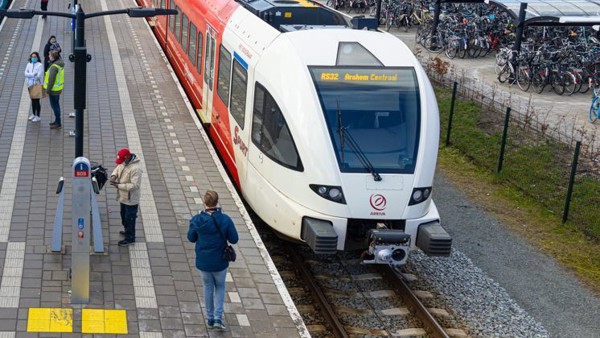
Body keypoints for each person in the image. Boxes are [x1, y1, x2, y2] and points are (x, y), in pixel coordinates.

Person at [187, 190, 239, 331]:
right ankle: (217, 318)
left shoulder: (197, 220)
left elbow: (191, 238)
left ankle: (209, 319)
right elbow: (234, 239)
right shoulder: (225, 219)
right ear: (217, 202)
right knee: (220, 286)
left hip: (203, 261)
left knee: (207, 287)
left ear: (205, 202)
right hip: (220, 261)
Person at [110, 148, 143, 247]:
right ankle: (127, 230)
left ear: (127, 157)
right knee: (124, 216)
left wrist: (118, 185)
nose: (121, 162)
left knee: (130, 218)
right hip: (123, 197)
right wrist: (113, 175)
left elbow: (135, 186)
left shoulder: (136, 169)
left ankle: (130, 238)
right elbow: (118, 167)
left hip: (131, 199)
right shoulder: (124, 162)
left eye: (122, 160)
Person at [43, 50, 64, 129]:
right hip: (58, 89)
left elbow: (51, 80)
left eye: (50, 56)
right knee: (56, 105)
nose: (49, 57)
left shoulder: (54, 67)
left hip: (53, 90)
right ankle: (57, 121)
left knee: (55, 106)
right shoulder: (59, 64)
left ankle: (58, 122)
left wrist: (47, 91)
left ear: (53, 57)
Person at [24, 51, 44, 122]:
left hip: (36, 85)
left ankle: (38, 116)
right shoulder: (29, 64)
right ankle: (33, 114)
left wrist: (30, 75)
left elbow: (38, 76)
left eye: (35, 57)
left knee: (36, 101)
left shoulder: (40, 65)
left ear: (37, 57)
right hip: (29, 85)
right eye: (32, 57)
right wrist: (32, 75)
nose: (33, 58)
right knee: (32, 100)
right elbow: (25, 73)